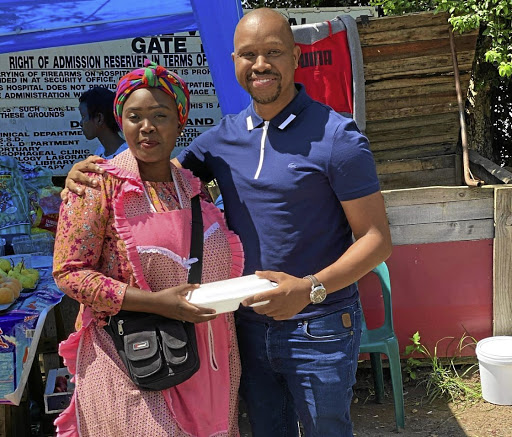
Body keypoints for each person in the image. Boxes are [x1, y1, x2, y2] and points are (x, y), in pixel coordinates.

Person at [63, 8, 392, 437]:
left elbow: (377, 239)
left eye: (273, 52)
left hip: (319, 323)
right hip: (246, 326)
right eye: (248, 54)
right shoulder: (222, 139)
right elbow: (157, 174)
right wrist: (91, 176)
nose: (260, 65)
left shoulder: (336, 137)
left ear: (295, 57)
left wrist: (310, 288)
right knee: (265, 429)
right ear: (234, 60)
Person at [53, 60, 243, 437]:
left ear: (180, 121)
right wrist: (157, 302)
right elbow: (69, 273)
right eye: (134, 116)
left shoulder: (192, 187)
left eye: (160, 114)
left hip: (208, 356)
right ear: (120, 122)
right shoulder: (96, 185)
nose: (147, 127)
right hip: (129, 357)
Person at [78, 86, 128, 158]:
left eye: (83, 117)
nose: (81, 123)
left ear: (99, 119)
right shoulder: (100, 152)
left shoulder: (127, 156)